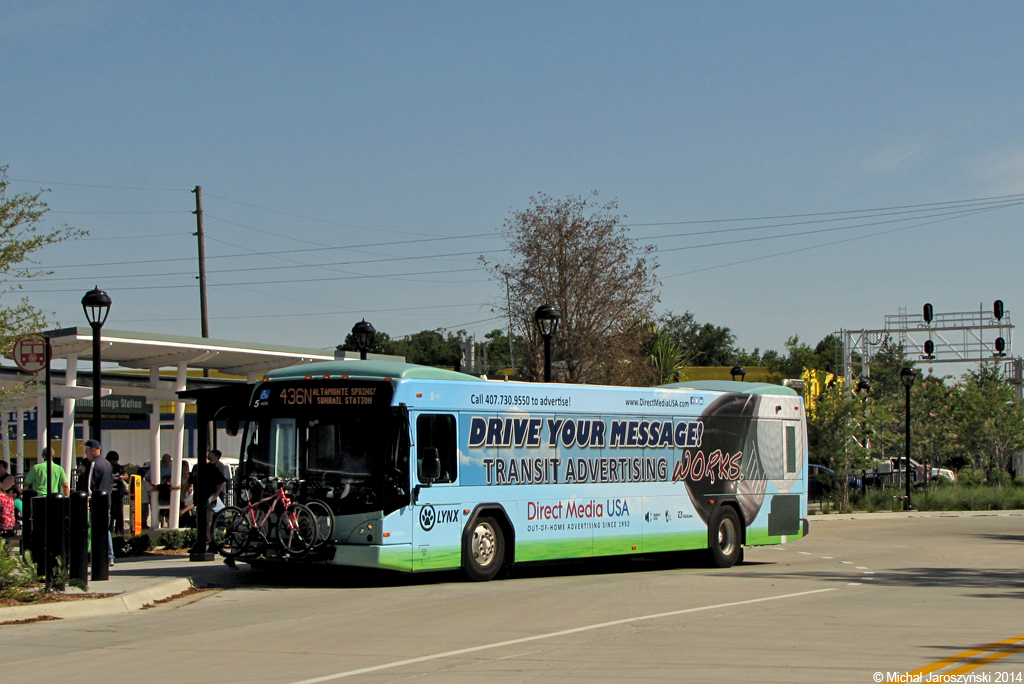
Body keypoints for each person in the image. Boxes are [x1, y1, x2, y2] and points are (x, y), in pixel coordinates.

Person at [189, 449, 227, 551]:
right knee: (199, 521)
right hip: (199, 499)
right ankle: (202, 542)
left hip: (208, 498)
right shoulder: (196, 467)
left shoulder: (212, 467)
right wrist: (184, 492)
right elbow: (190, 481)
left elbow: (222, 481)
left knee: (207, 522)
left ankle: (211, 543)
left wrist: (215, 495)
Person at [85, 439, 115, 567]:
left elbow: (89, 485)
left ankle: (100, 556)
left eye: (86, 450)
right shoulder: (107, 464)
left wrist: (87, 500)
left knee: (96, 529)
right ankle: (109, 555)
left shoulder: (93, 464)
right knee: (105, 529)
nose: (85, 453)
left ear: (93, 449)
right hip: (107, 501)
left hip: (96, 502)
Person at [107, 451, 127, 535]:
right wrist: (113, 478)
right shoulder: (106, 467)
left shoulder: (118, 467)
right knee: (111, 513)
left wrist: (121, 477)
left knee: (119, 513)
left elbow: (125, 474)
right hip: (110, 493)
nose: (114, 462)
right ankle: (110, 530)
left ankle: (119, 530)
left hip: (118, 493)